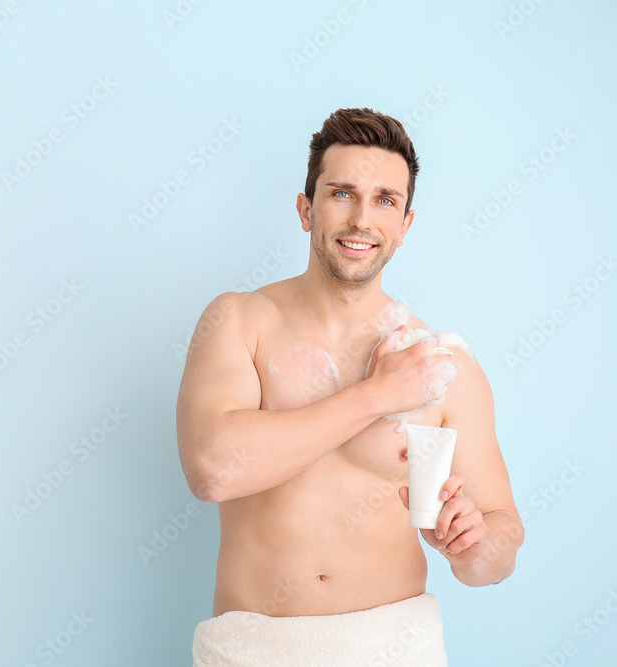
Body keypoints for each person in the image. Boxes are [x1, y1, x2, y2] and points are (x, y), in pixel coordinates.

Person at [176, 107, 524, 666]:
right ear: (306, 209)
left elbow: (501, 538)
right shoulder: (240, 322)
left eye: (385, 199)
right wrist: (378, 395)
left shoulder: (441, 363)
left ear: (404, 226)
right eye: (342, 193)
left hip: (396, 648)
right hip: (256, 651)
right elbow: (214, 470)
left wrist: (475, 546)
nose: (362, 218)